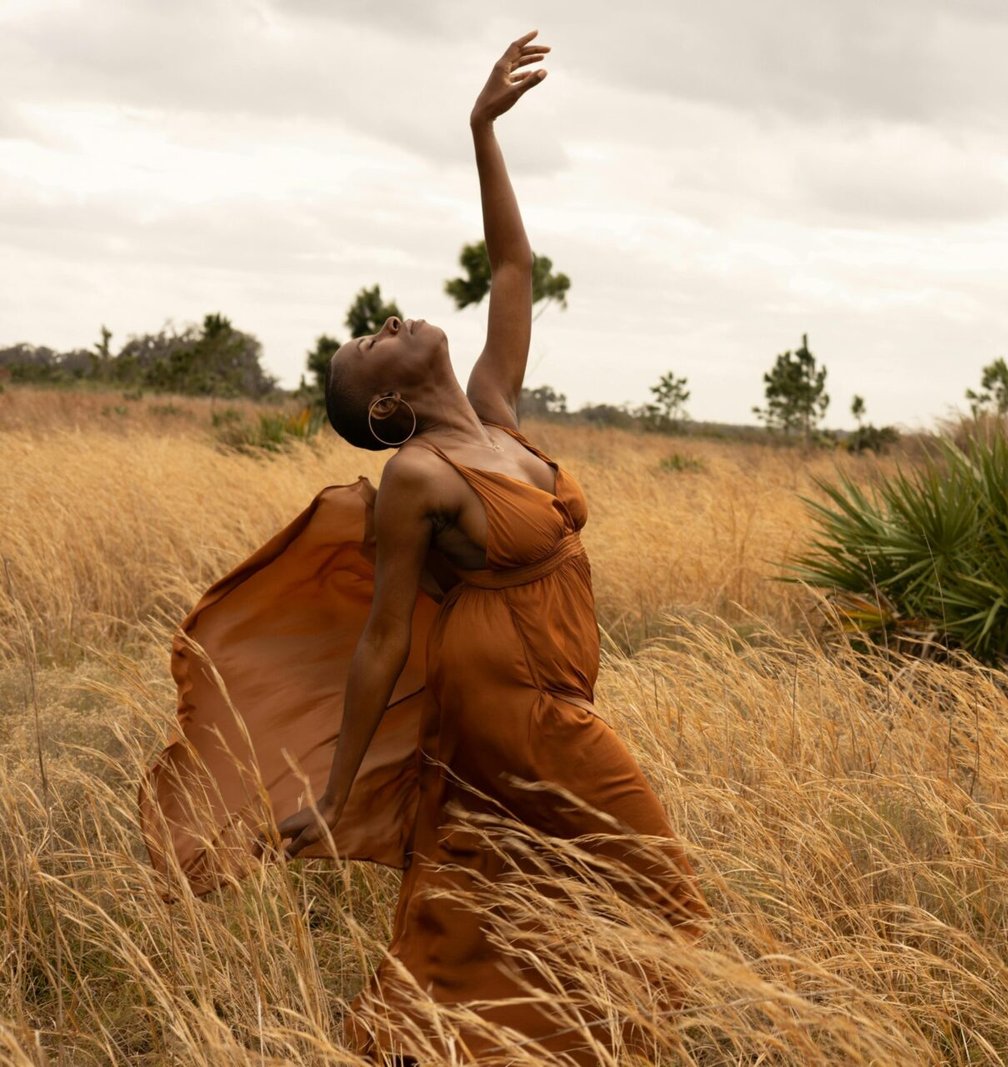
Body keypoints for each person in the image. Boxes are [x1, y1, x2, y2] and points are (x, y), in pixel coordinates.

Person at [139, 31, 706, 1064]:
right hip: (517, 710)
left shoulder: (494, 410)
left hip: (554, 694)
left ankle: (438, 1039)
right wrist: (339, 783)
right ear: (388, 403)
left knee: (507, 884)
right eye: (368, 344)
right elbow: (384, 638)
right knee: (659, 883)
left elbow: (512, 264)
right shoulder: (421, 477)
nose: (388, 319)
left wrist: (481, 128)